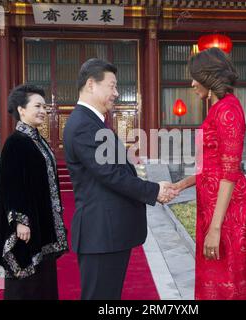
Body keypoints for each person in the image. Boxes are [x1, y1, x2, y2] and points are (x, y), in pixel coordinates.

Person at [63, 58, 177, 300]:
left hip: (109, 232)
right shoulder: (84, 124)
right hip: (100, 232)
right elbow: (110, 175)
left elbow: (117, 171)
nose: (116, 93)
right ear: (91, 84)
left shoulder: (93, 122)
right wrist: (154, 190)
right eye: (112, 86)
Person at [173, 47, 246, 300]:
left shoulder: (228, 110)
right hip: (214, 210)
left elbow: (229, 172)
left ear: (210, 77)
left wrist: (215, 228)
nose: (192, 83)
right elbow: (210, 167)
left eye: (195, 77)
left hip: (229, 213)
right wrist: (182, 184)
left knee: (228, 286)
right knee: (214, 283)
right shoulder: (215, 109)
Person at [0, 84, 69, 300]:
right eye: (37, 106)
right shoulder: (15, 143)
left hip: (42, 220)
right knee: (24, 279)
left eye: (44, 106)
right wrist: (20, 220)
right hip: (26, 224)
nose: (43, 110)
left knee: (43, 277)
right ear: (21, 110)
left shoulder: (37, 140)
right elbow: (11, 185)